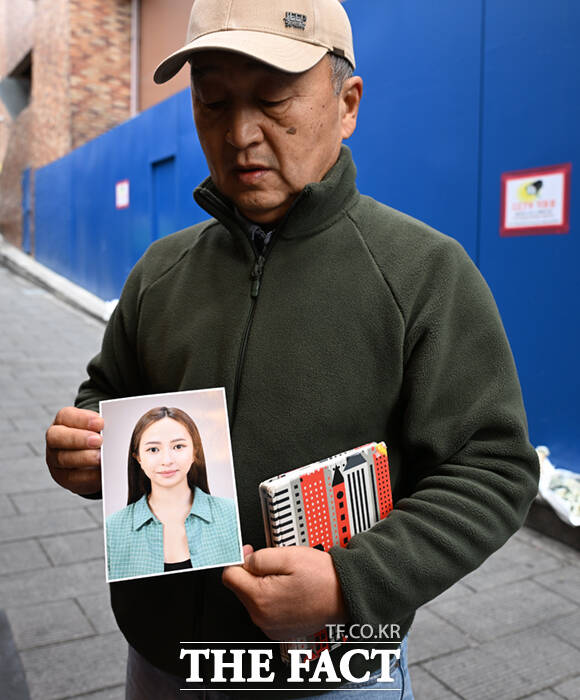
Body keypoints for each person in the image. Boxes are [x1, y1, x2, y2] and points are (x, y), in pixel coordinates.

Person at [45, 0, 539, 697]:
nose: (241, 134)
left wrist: (350, 581)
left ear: (347, 104)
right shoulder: (160, 271)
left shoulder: (425, 273)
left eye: (274, 100)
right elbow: (109, 391)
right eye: (212, 102)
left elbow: (492, 469)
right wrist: (89, 446)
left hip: (334, 669)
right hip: (163, 658)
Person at [105, 406, 241, 581]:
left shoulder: (231, 514)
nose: (167, 460)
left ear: (194, 452)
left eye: (178, 446)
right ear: (138, 457)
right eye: (153, 449)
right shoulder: (113, 528)